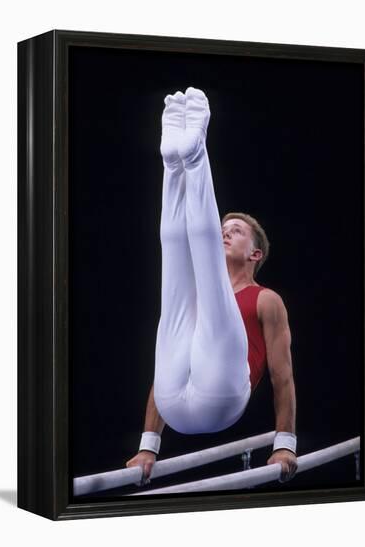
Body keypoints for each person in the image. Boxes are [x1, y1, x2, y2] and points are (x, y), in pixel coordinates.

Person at [126, 87, 297, 485]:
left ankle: (192, 156)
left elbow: (282, 375)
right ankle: (174, 163)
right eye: (222, 228)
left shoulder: (265, 300)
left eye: (235, 232)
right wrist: (148, 444)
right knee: (176, 267)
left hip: (223, 396)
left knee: (193, 264)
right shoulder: (198, 294)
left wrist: (284, 440)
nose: (226, 233)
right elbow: (165, 364)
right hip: (174, 397)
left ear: (255, 254)